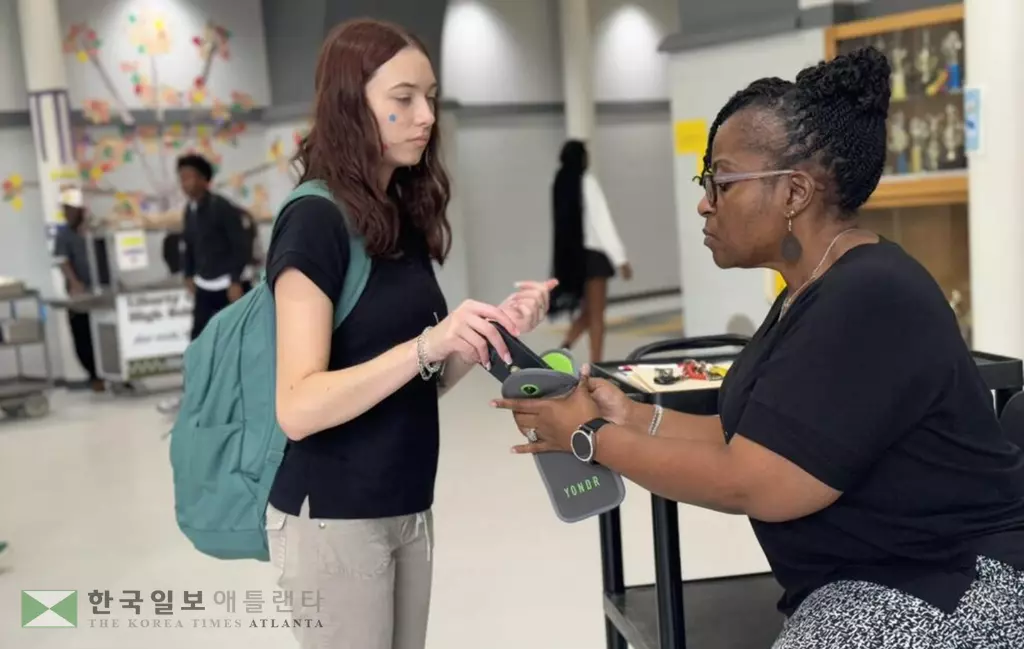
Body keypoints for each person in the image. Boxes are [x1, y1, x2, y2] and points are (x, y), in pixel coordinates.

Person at [494, 47, 1024, 649]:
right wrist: (633, 415)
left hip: (952, 585)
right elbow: (745, 434)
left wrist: (590, 438)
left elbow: (754, 481)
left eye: (721, 181)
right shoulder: (810, 289)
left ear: (795, 193)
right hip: (874, 576)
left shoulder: (870, 294)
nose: (705, 201)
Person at [262, 19, 557, 649]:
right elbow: (297, 406)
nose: (425, 115)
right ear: (350, 105)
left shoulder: (399, 216)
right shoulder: (313, 222)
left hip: (406, 502)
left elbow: (415, 382)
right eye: (403, 99)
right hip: (333, 515)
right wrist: (427, 343)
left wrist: (482, 334)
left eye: (431, 97)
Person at [548, 140, 631, 364]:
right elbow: (602, 222)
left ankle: (563, 348)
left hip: (573, 259)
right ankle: (596, 363)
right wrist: (620, 258)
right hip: (594, 258)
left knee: (588, 312)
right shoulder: (587, 182)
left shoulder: (560, 183)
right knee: (597, 316)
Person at [177, 153, 250, 338]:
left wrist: (235, 280)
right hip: (205, 284)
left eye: (189, 177)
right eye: (181, 178)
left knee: (237, 335)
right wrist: (188, 274)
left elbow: (240, 244)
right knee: (198, 337)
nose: (184, 183)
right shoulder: (189, 210)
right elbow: (189, 245)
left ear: (204, 179)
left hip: (228, 285)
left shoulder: (222, 207)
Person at [53, 189, 103, 392]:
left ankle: (109, 373)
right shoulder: (63, 234)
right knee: (82, 335)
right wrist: (74, 282)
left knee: (103, 333)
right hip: (79, 295)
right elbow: (62, 260)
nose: (66, 213)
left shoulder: (93, 229)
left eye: (70, 209)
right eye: (64, 209)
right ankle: (94, 375)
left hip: (100, 292)